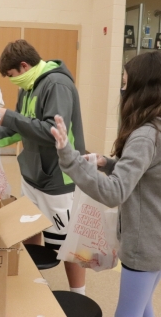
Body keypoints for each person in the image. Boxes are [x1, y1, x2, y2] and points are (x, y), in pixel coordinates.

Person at [0, 39, 86, 295]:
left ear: (24, 66)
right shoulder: (28, 86)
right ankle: (32, 284)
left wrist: (10, 117)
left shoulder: (57, 84)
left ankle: (78, 295)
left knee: (67, 243)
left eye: (13, 75)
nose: (12, 80)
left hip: (59, 179)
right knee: (28, 228)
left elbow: (52, 132)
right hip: (33, 175)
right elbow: (17, 128)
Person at [51, 51, 161, 317]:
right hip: (155, 241)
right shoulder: (157, 127)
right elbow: (148, 173)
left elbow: (114, 192)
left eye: (125, 82)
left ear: (141, 87)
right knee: (143, 306)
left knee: (128, 312)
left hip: (144, 246)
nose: (122, 90)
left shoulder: (145, 135)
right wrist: (108, 163)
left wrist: (68, 156)